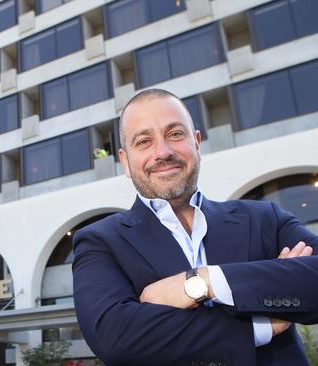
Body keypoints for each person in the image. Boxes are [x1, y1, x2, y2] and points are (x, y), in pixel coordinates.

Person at [72, 88, 318, 366]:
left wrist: (204, 282)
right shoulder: (99, 242)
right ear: (126, 162)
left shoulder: (265, 219)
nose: (162, 152)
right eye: (143, 141)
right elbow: (114, 336)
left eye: (175, 134)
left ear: (197, 143)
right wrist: (259, 325)